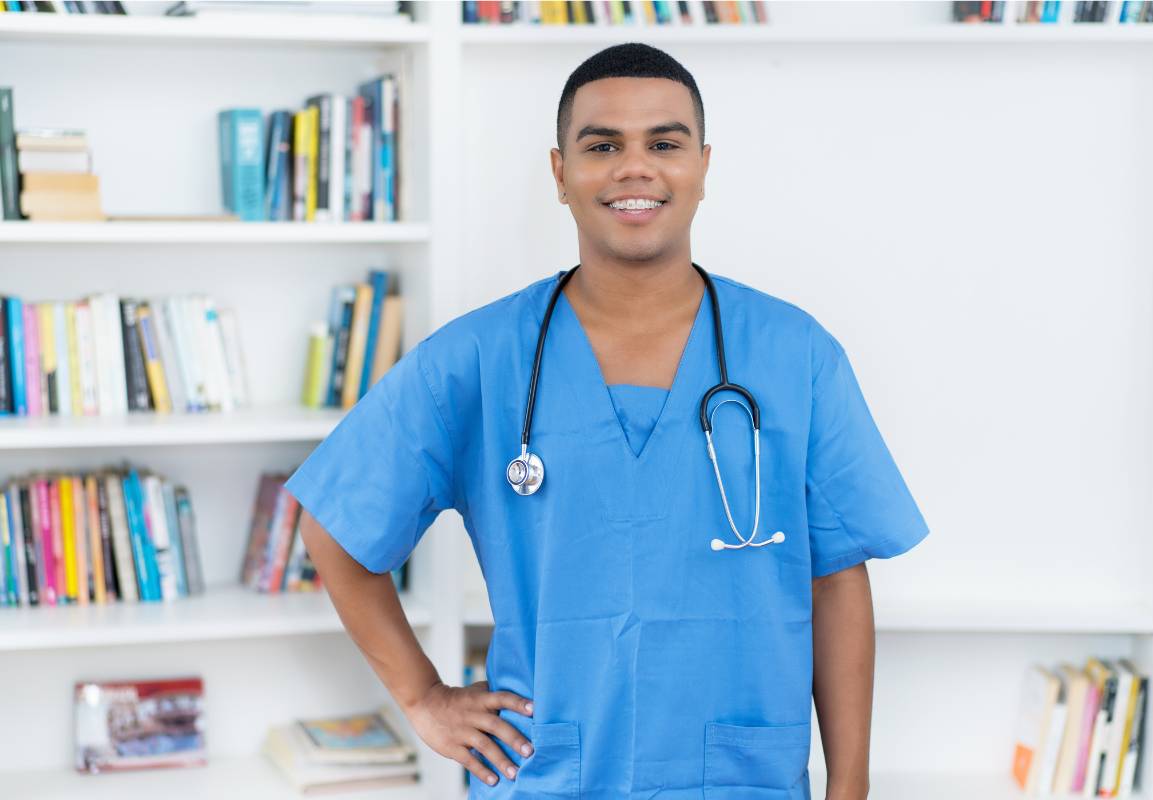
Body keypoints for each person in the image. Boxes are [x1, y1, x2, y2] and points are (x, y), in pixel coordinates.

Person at [288, 42, 930, 800]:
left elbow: (836, 581)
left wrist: (849, 788)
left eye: (664, 143)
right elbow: (333, 526)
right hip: (547, 771)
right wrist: (424, 697)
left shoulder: (796, 354)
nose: (635, 168)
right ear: (560, 173)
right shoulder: (478, 358)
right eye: (602, 146)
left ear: (703, 167)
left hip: (738, 776)